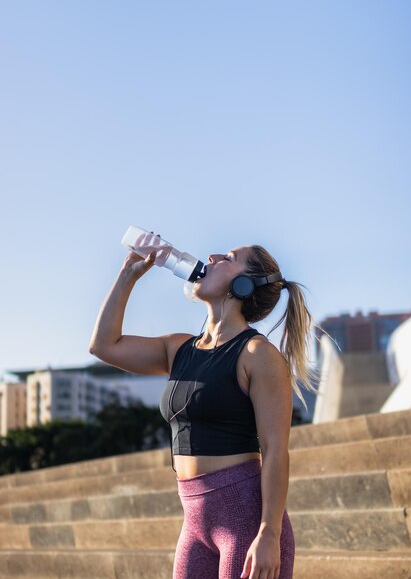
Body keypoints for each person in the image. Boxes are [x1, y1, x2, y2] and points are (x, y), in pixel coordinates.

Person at [89, 237, 321, 579]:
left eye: (229, 258)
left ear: (244, 285)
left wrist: (269, 533)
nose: (211, 256)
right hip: (194, 520)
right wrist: (128, 274)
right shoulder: (178, 348)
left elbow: (275, 451)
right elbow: (104, 345)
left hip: (246, 520)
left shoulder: (258, 354)